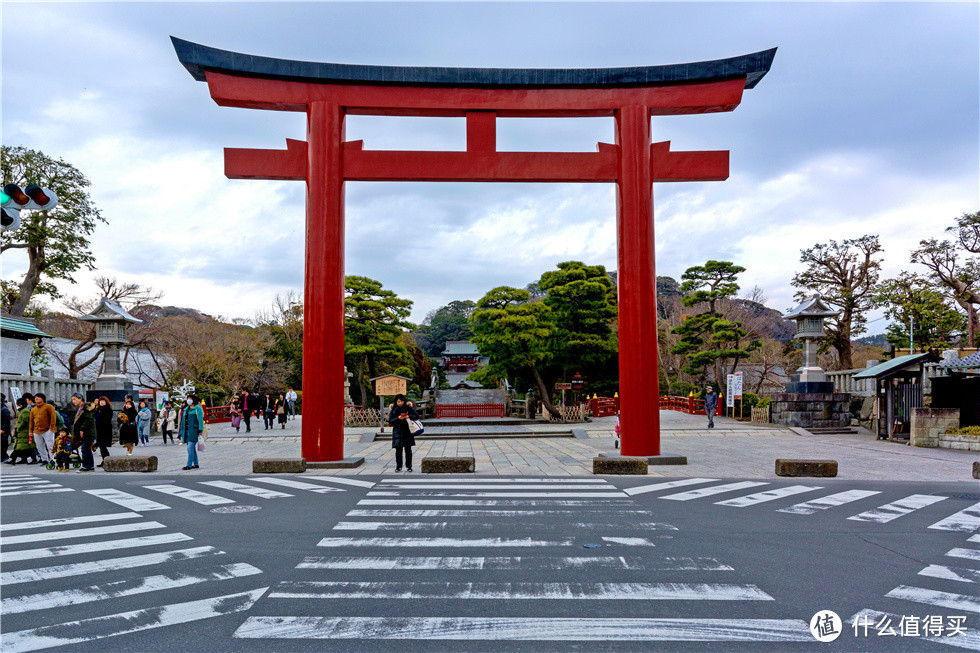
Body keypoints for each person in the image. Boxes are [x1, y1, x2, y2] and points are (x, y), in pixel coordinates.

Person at [387, 394, 419, 473]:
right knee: (398, 450)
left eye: (401, 401)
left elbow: (416, 416)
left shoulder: (408, 408)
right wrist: (398, 418)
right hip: (397, 431)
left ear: (404, 401)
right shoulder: (394, 409)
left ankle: (409, 466)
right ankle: (398, 466)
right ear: (396, 401)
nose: (400, 403)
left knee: (408, 450)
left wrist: (408, 416)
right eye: (398, 401)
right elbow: (390, 420)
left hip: (407, 431)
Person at [28, 393, 58, 467]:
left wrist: (52, 427)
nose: (36, 398)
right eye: (35, 397)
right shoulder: (33, 409)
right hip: (37, 431)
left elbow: (53, 417)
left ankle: (53, 460)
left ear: (43, 399)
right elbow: (31, 421)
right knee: (39, 446)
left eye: (38, 397)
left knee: (50, 446)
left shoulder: (48, 407)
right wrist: (30, 431)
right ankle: (44, 459)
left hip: (48, 430)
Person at [70, 392, 97, 472]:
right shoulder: (80, 408)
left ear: (80, 399)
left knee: (85, 449)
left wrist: (82, 429)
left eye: (75, 399)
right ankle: (90, 466)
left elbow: (89, 420)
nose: (73, 401)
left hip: (87, 432)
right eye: (72, 400)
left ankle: (86, 466)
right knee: (86, 448)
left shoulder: (87, 407)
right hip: (83, 432)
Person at [6, 397, 36, 465]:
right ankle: (24, 459)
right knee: (24, 447)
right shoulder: (21, 411)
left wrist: (18, 427)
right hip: (21, 433)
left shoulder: (25, 411)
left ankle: (13, 459)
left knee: (24, 447)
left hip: (24, 432)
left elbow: (24, 421)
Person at [179, 394, 205, 470]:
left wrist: (200, 430)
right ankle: (196, 463)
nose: (188, 400)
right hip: (186, 430)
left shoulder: (197, 409)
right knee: (192, 448)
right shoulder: (186, 409)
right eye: (187, 399)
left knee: (190, 448)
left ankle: (189, 465)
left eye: (190, 398)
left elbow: (200, 420)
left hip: (194, 430)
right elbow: (183, 421)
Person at [94, 397, 114, 466]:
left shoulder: (108, 409)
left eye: (103, 401)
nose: (102, 402)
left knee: (103, 446)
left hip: (105, 430)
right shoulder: (98, 409)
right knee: (101, 447)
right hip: (99, 430)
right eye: (100, 401)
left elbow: (107, 419)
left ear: (106, 402)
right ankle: (105, 460)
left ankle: (107, 461)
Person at [1, 393, 11, 462]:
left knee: (3, 444)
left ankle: (4, 456)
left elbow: (6, 420)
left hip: (3, 430)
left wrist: (3, 429)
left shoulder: (4, 409)